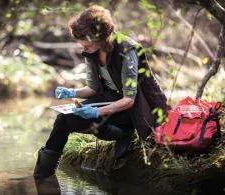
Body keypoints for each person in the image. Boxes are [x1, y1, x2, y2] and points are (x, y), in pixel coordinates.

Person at [33, 5, 168, 180]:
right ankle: (42, 176)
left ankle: (124, 134)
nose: (82, 46)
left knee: (93, 119)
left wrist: (96, 111)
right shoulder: (91, 51)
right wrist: (71, 92)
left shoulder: (127, 50)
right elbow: (93, 89)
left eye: (86, 42)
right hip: (109, 101)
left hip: (135, 110)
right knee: (63, 120)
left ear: (101, 37)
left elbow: (129, 100)